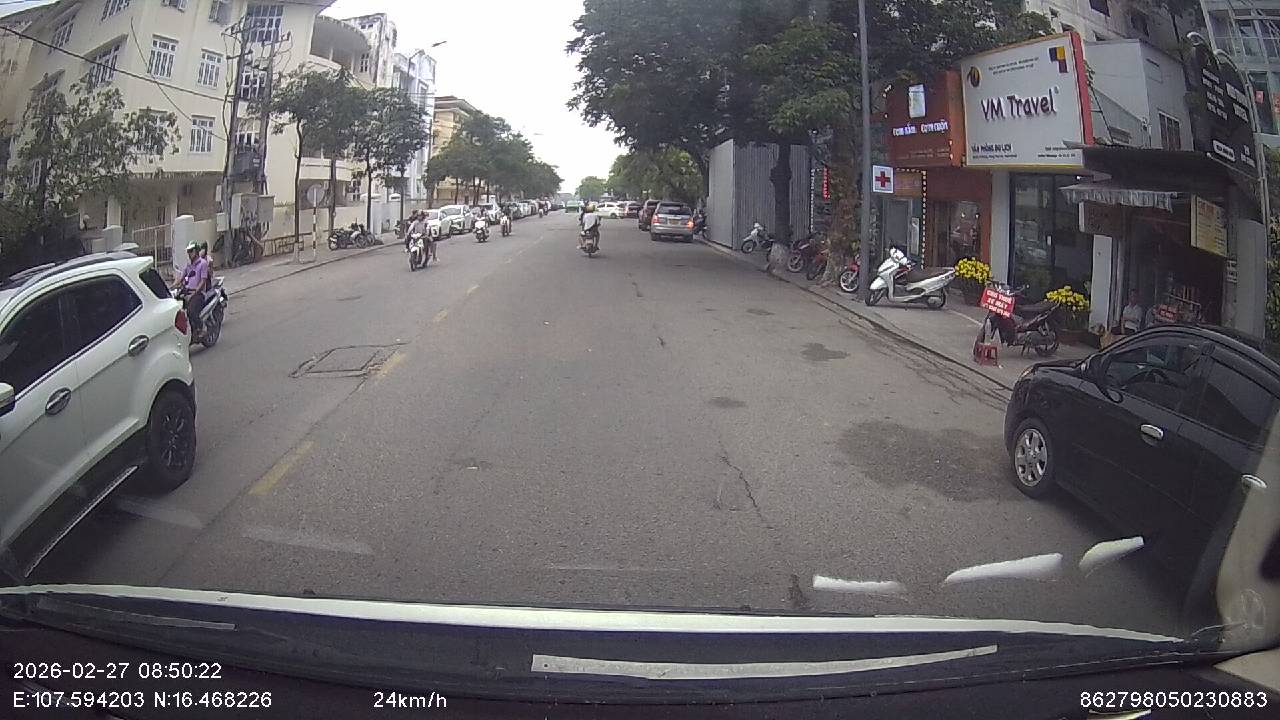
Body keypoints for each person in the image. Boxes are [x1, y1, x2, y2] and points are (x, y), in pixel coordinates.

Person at [174, 241, 209, 333]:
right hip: (187, 291)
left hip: (198, 294)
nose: (189, 254)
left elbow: (203, 281)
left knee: (191, 311)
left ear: (196, 251)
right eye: (188, 251)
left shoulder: (203, 263)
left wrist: (194, 293)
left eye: (191, 251)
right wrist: (171, 287)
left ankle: (201, 328)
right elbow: (181, 279)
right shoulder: (188, 266)